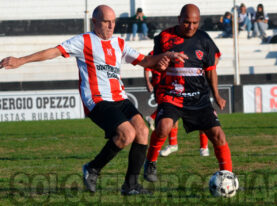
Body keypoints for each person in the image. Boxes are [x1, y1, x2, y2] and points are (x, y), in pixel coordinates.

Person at [0, 5, 188, 195]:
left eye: (113, 22)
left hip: (120, 98)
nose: (110, 26)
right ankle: (92, 168)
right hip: (97, 100)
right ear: (95, 22)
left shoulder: (119, 43)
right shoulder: (84, 41)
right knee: (126, 134)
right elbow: (54, 51)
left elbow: (146, 62)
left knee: (142, 131)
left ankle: (131, 186)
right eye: (106, 21)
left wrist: (166, 57)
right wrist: (21, 60)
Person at [143, 4, 233, 183]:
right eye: (186, 22)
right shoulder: (163, 37)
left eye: (195, 23)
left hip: (198, 97)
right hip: (172, 95)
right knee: (163, 127)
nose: (190, 27)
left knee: (218, 135)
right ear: (179, 19)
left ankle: (228, 177)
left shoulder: (204, 39)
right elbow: (152, 62)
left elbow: (210, 69)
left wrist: (216, 94)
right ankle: (150, 162)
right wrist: (160, 65)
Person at [144, 52, 210, 157]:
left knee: (203, 118)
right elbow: (146, 66)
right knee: (169, 116)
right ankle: (172, 144)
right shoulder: (154, 53)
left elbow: (212, 59)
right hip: (164, 88)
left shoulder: (185, 50)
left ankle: (204, 146)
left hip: (189, 88)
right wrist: (148, 82)